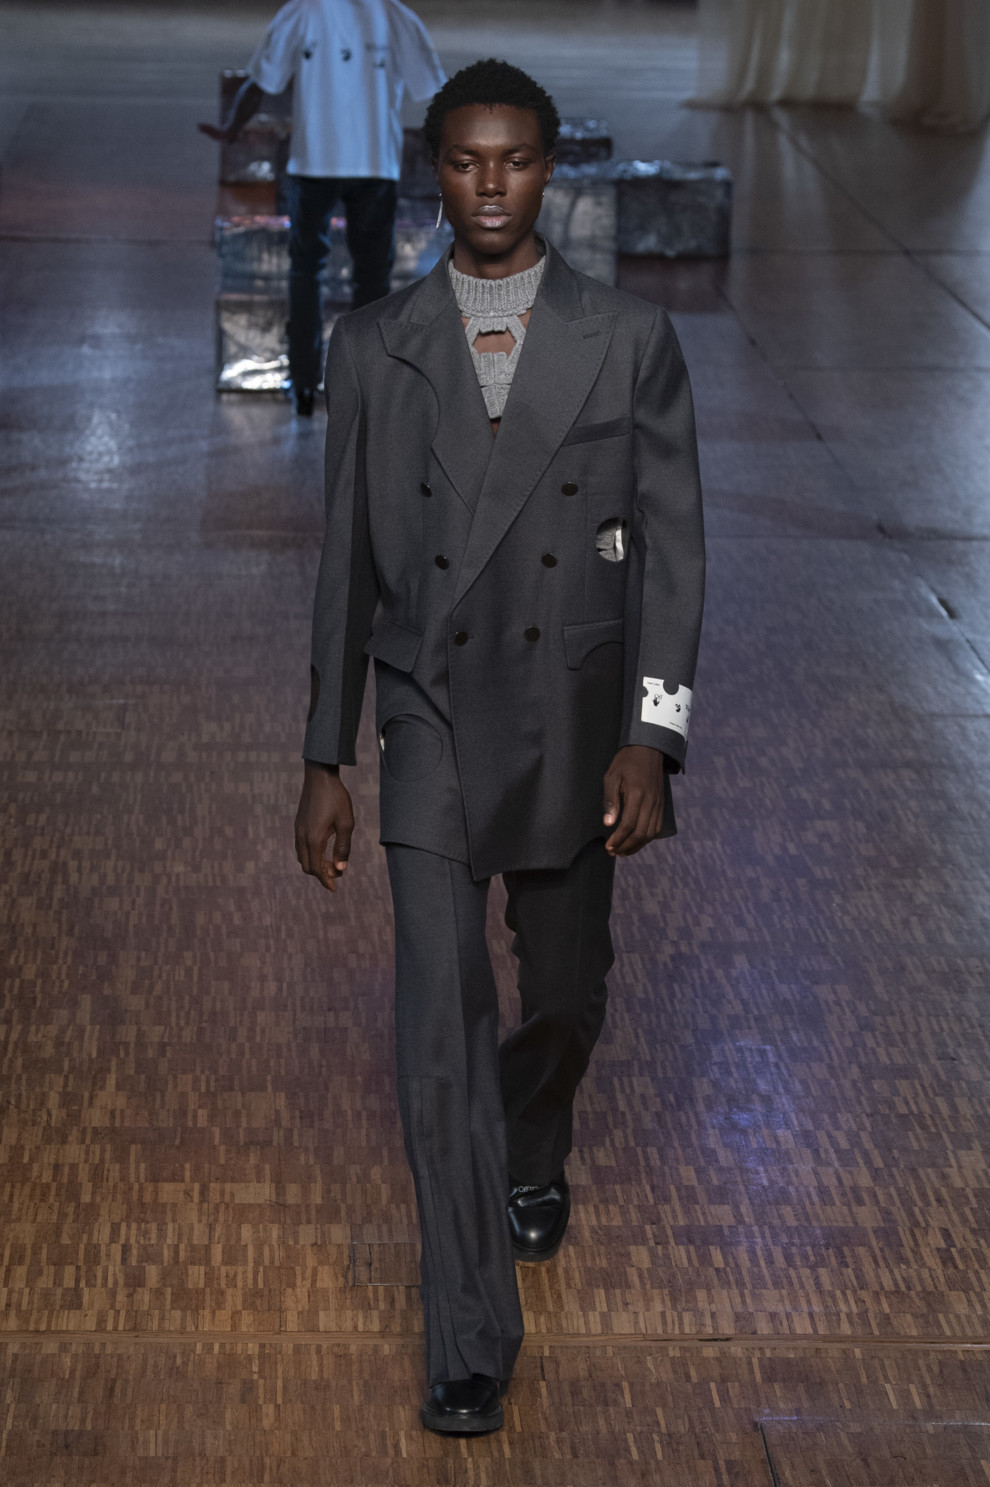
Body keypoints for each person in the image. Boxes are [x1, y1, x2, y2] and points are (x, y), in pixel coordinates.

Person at [294, 59, 705, 1434]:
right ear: (434, 170)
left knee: (568, 999)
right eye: (466, 160)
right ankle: (469, 1334)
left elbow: (674, 555)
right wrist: (324, 754)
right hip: (427, 714)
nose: (489, 184)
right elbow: (345, 562)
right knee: (438, 1021)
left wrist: (652, 735)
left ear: (548, 169)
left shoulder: (629, 339)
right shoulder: (374, 343)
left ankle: (531, 1136)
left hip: (577, 724)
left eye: (515, 159)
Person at [199, 0, 445, 415]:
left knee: (305, 271)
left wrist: (232, 130)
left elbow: (260, 82)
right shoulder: (395, 16)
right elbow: (437, 92)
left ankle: (304, 383)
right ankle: (364, 384)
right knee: (372, 277)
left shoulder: (304, 11)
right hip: (374, 165)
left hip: (314, 163)